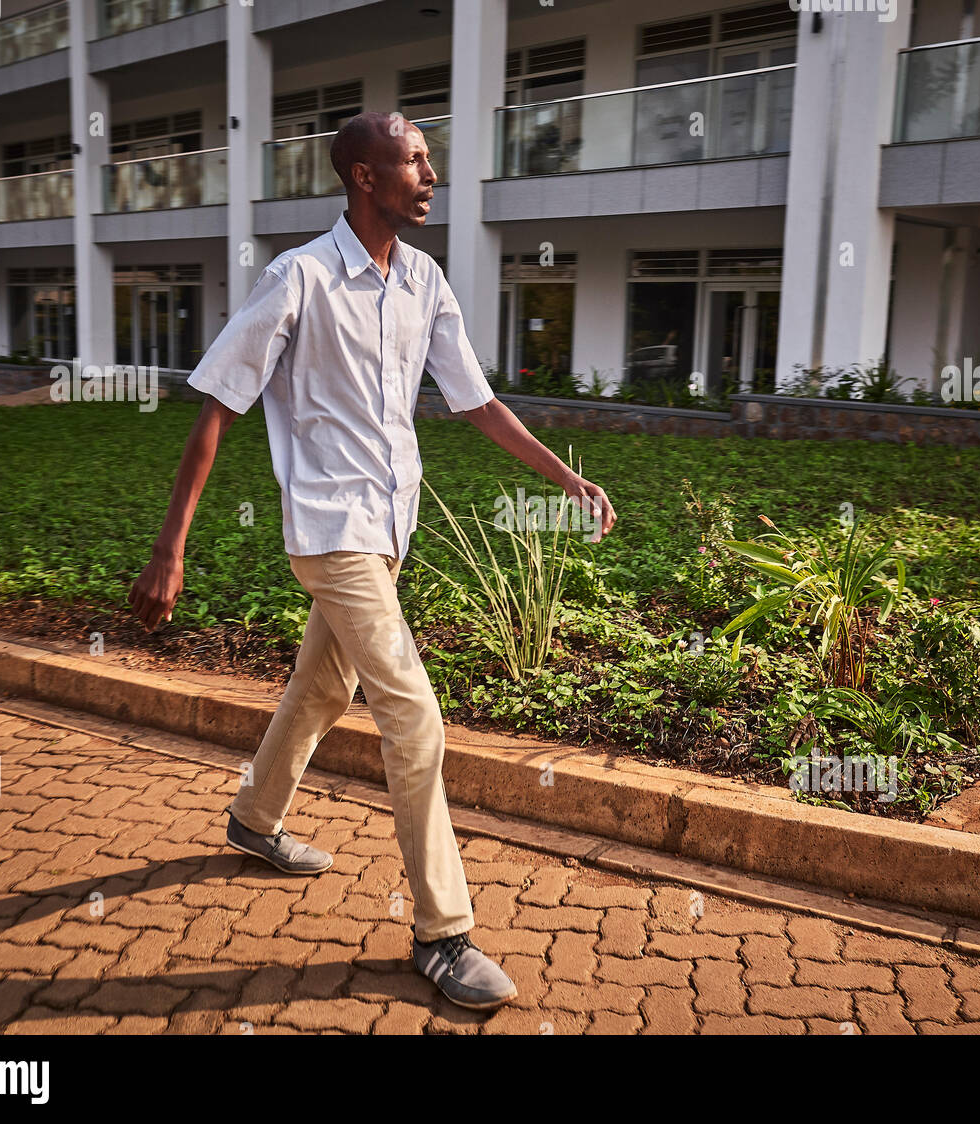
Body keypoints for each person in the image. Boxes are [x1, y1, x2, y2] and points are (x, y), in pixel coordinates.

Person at [128, 111, 615, 1012]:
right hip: (329, 532)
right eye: (414, 161)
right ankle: (443, 934)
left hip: (391, 529)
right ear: (363, 175)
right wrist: (170, 548)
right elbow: (217, 407)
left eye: (429, 158)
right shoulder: (298, 279)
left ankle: (254, 818)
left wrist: (568, 480)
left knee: (324, 686)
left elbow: (476, 402)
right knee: (412, 710)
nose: (430, 175)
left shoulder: (424, 279)